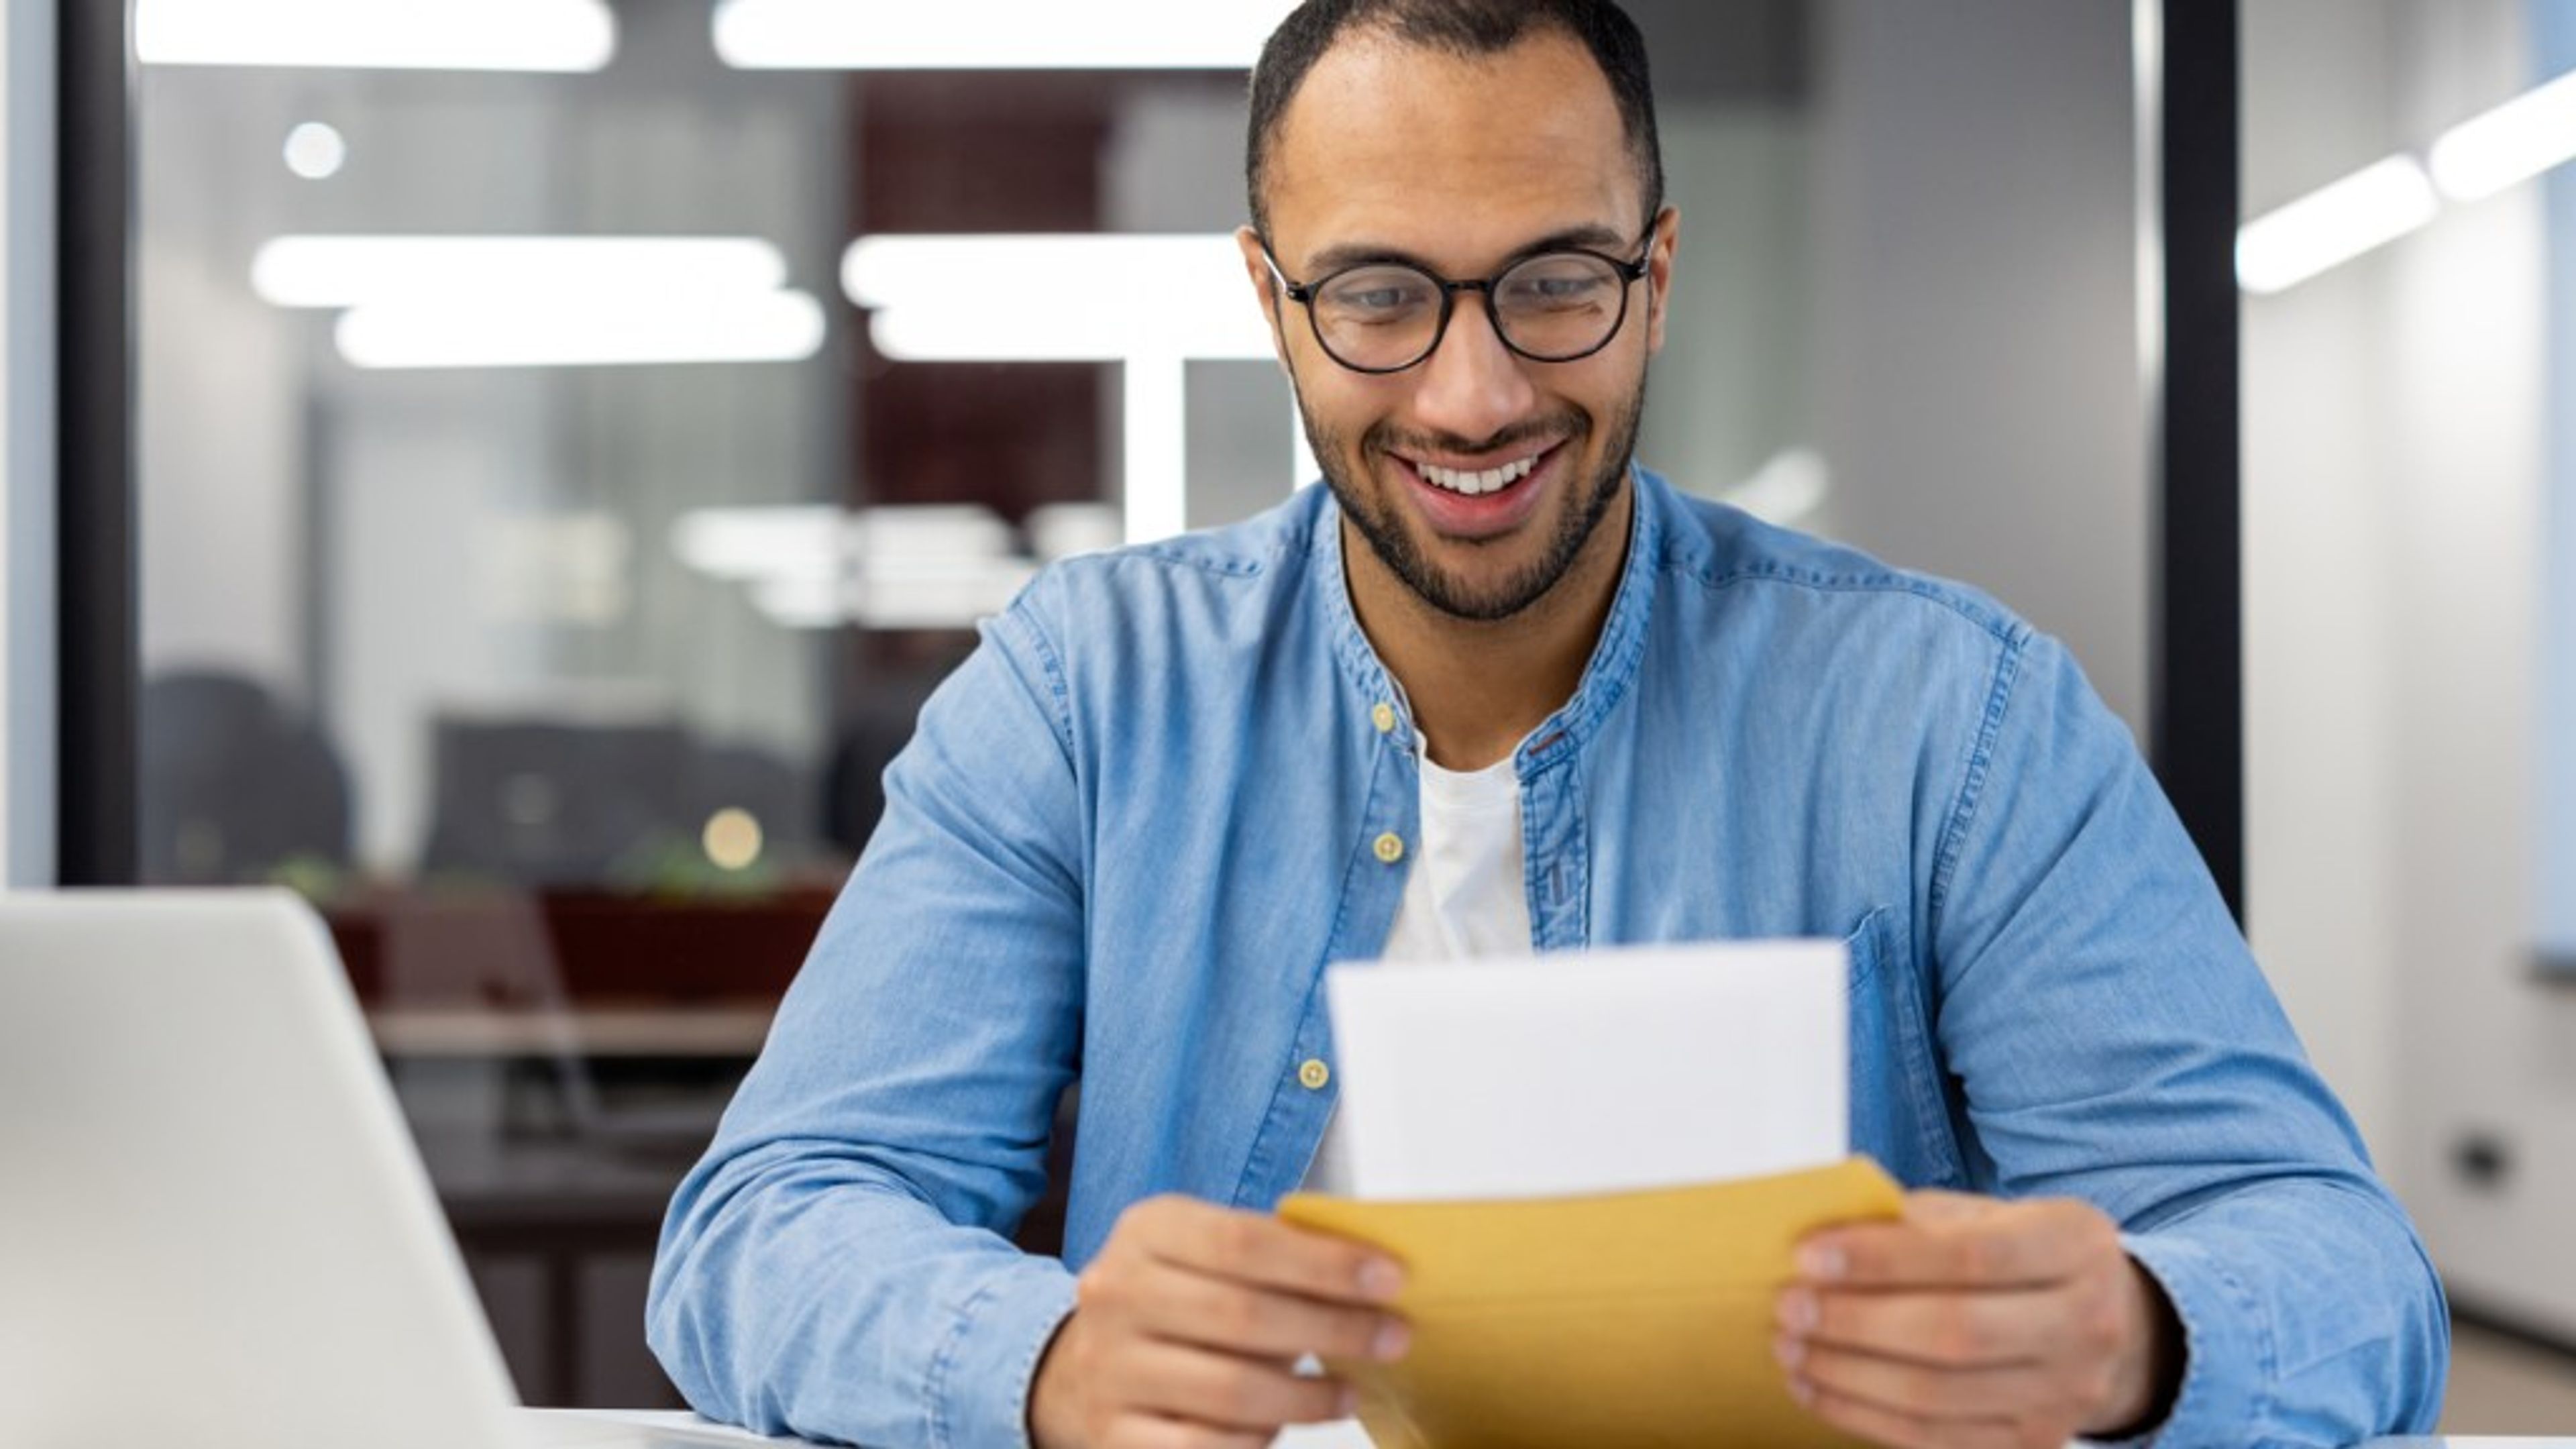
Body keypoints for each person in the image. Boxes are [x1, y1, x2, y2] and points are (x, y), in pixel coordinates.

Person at [647, 3, 2450, 1446]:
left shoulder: (1952, 723)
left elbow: (2347, 1275)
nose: (1475, 388)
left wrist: (2136, 1336)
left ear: (1658, 278)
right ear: (1270, 301)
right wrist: (1036, 1361)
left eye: (1554, 284)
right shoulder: (1081, 698)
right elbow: (766, 1226)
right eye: (1377, 297)